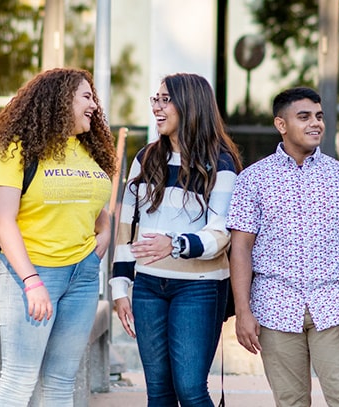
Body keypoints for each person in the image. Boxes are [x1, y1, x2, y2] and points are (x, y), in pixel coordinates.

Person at [0, 67, 118, 406]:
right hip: (33, 272)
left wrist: (107, 229)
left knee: (60, 382)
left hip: (82, 274)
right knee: (19, 380)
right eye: (86, 97)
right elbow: (2, 220)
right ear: (61, 99)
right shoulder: (12, 151)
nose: (94, 106)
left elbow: (91, 202)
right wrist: (31, 281)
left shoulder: (87, 150)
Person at [228, 87, 339, 407]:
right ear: (281, 124)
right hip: (274, 305)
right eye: (304, 117)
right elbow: (241, 248)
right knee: (291, 401)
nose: (316, 124)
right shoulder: (253, 179)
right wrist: (243, 311)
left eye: (319, 117)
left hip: (335, 307)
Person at [110, 73, 241, 407]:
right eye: (156, 98)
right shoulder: (146, 158)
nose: (157, 106)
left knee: (191, 390)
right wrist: (120, 287)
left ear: (190, 105)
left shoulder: (220, 164)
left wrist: (175, 244)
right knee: (159, 393)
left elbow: (221, 233)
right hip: (148, 288)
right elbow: (128, 227)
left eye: (165, 99)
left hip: (198, 288)